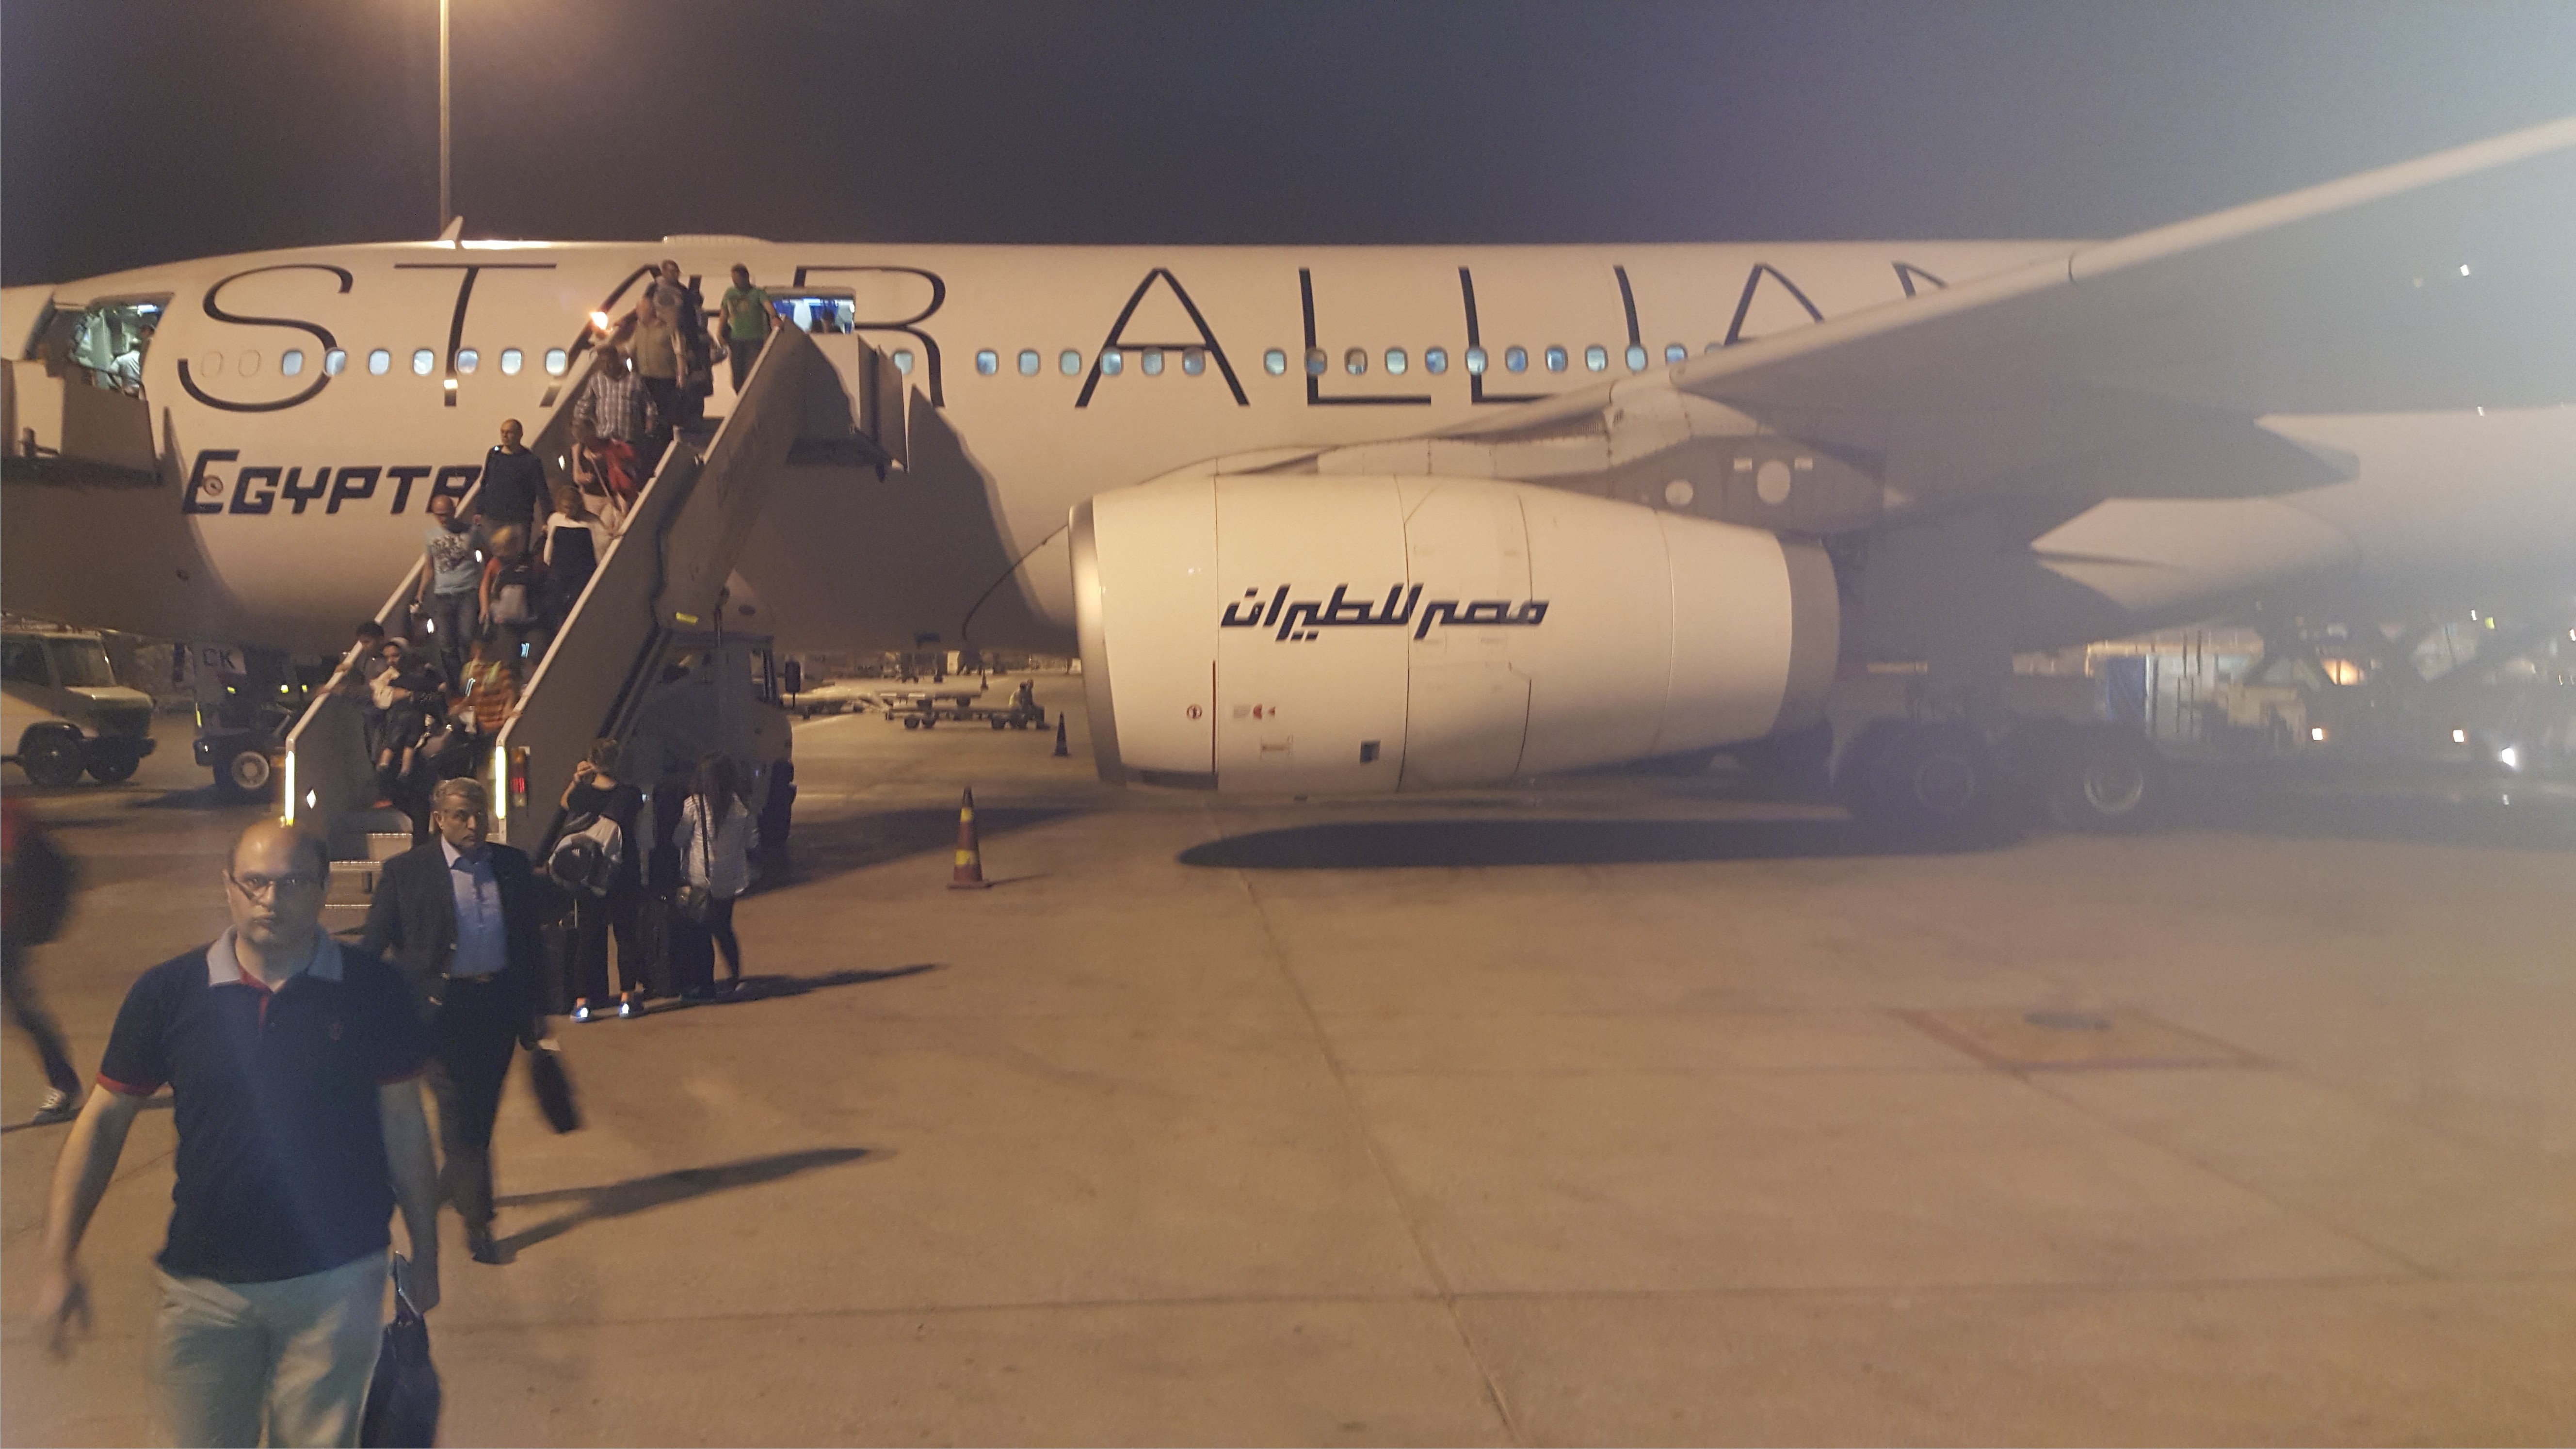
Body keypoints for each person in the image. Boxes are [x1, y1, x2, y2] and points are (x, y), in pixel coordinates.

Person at [36, 821, 440, 1448]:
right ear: (228, 887)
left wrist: (428, 1251)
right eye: (254, 882)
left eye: (292, 883)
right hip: (203, 1289)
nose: (270, 900)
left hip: (335, 1285)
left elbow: (404, 1124)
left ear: (324, 889)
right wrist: (59, 1258)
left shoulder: (373, 991)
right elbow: (103, 1123)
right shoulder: (169, 993)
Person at [360, 779, 548, 1266]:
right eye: (462, 815)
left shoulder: (511, 866)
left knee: (481, 1114)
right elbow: (372, 947)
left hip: (497, 1009)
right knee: (458, 1111)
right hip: (438, 1013)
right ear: (439, 819)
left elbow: (531, 943)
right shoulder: (406, 873)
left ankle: (453, 1181)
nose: (474, 824)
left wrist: (539, 1010)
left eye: (480, 813)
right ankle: (478, 1221)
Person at [2, 798, 85, 1124]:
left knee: (23, 1011)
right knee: (23, 1011)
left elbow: (18, 868)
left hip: (5, 931)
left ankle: (63, 1083)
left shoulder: (10, 815)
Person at [560, 739, 647, 1020]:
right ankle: (627, 998)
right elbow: (640, 831)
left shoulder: (583, 794)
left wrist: (577, 780)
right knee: (626, 936)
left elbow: (565, 803)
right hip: (624, 871)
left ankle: (582, 1003)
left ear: (591, 762)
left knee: (588, 937)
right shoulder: (631, 795)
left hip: (591, 873)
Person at [674, 752, 758, 998]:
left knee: (700, 932)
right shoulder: (741, 806)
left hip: (699, 877)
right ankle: (735, 977)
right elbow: (752, 841)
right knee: (723, 928)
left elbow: (679, 838)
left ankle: (705, 984)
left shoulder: (694, 805)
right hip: (729, 878)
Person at [416, 494, 483, 684]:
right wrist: (421, 590)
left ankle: (470, 677)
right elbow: (429, 566)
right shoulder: (431, 535)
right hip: (443, 593)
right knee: (445, 642)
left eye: (446, 514)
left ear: (454, 511)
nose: (443, 519)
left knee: (467, 636)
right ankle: (457, 682)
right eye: (439, 515)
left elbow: (485, 555)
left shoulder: (472, 532)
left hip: (468, 590)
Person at [572, 343, 662, 475]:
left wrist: (649, 429)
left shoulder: (634, 380)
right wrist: (583, 429)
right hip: (605, 442)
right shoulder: (596, 381)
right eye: (603, 363)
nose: (607, 366)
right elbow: (582, 408)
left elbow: (650, 407)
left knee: (630, 478)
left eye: (609, 362)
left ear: (616, 359)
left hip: (629, 441)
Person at [540, 486, 611, 629]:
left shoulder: (591, 522)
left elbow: (603, 542)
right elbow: (551, 541)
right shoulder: (556, 519)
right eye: (565, 508)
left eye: (571, 508)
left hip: (582, 571)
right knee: (555, 603)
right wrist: (547, 560)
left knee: (577, 603)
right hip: (560, 569)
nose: (568, 512)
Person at [624, 295, 685, 446]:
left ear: (650, 311)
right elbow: (629, 349)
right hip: (644, 379)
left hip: (665, 380)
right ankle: (649, 445)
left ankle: (666, 445)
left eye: (640, 310)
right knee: (646, 414)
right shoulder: (639, 329)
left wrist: (681, 376)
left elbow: (679, 352)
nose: (638, 313)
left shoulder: (668, 328)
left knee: (664, 416)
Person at [475, 418, 547, 543]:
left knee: (518, 552)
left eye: (509, 432)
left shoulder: (530, 460)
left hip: (519, 519)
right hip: (494, 516)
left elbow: (542, 491)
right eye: (503, 432)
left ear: (520, 434)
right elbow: (485, 482)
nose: (505, 436)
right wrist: (479, 510)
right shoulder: (494, 455)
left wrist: (547, 519)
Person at [479, 525, 542, 667]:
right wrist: (485, 609)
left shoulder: (530, 562)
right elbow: (485, 586)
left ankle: (525, 670)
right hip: (507, 624)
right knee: (508, 660)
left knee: (527, 654)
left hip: (529, 623)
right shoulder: (495, 564)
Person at [716, 263, 774, 392]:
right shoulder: (730, 293)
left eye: (737, 279)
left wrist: (774, 317)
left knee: (752, 373)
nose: (735, 283)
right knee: (737, 375)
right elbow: (724, 313)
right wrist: (719, 332)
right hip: (736, 339)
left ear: (746, 277)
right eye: (734, 280)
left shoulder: (757, 293)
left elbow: (768, 307)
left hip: (755, 339)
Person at [455, 633, 517, 743]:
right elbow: (471, 696)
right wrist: (460, 707)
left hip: (498, 728)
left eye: (482, 649)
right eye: (477, 649)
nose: (479, 653)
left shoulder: (499, 668)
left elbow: (510, 691)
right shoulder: (471, 670)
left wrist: (508, 708)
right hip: (481, 729)